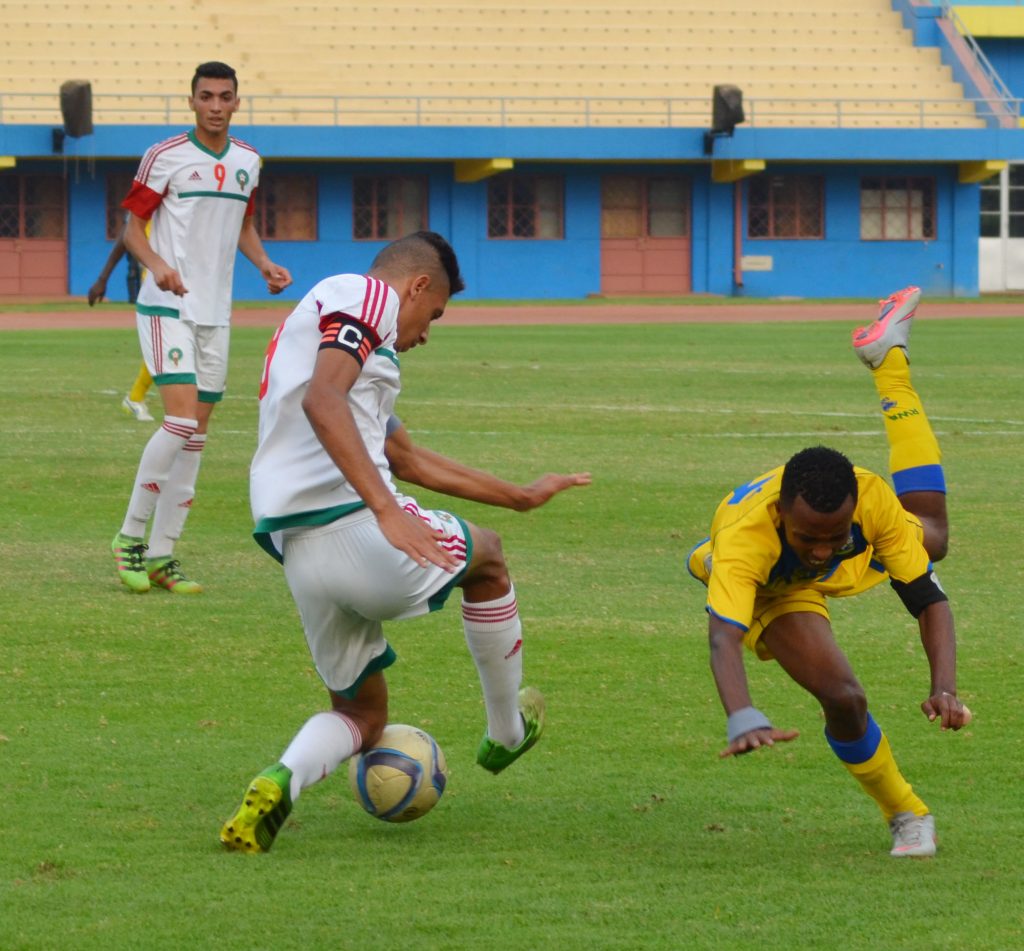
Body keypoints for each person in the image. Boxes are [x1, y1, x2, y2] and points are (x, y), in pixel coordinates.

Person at [219, 231, 591, 853]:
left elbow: (406, 456)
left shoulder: (329, 334)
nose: (425, 333)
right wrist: (387, 512)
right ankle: (506, 730)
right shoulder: (363, 296)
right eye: (434, 315)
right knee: (489, 558)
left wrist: (521, 495)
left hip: (301, 554)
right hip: (356, 528)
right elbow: (323, 399)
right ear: (417, 286)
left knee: (363, 718)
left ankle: (280, 777)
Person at [686, 285, 968, 858]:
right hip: (772, 584)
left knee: (930, 539)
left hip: (812, 553)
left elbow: (927, 598)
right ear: (781, 512)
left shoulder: (870, 497)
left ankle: (890, 361)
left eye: (833, 535)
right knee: (844, 697)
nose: (820, 548)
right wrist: (741, 713)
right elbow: (724, 638)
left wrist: (944, 687)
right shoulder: (750, 540)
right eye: (809, 536)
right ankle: (908, 813)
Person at [109, 61, 292, 595]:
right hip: (167, 308)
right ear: (191, 101)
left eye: (225, 96)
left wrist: (264, 264)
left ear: (237, 103)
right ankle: (129, 539)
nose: (215, 105)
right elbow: (130, 229)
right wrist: (157, 266)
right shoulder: (165, 156)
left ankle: (165, 556)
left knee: (197, 438)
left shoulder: (249, 162)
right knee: (182, 424)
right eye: (206, 96)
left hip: (217, 312)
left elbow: (244, 224)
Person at [88, 217, 155, 423]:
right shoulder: (153, 194)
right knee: (165, 345)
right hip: (157, 285)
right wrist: (102, 279)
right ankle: (135, 397)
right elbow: (126, 235)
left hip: (187, 282)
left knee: (176, 344)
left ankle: (136, 397)